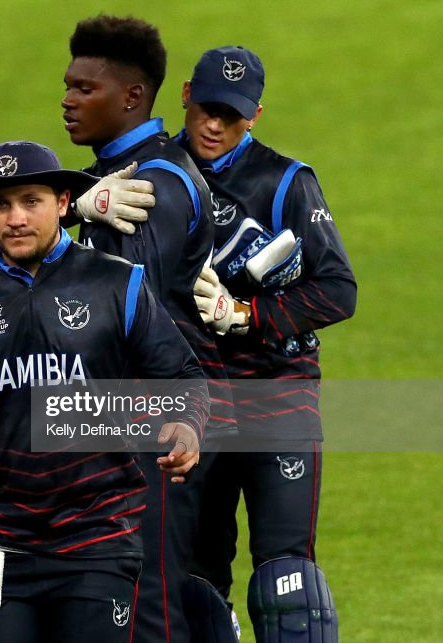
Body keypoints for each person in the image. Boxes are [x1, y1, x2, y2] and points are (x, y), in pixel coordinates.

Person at [0, 140, 208, 643]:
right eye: (1, 205)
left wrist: (186, 425)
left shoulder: (118, 284)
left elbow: (183, 376)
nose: (15, 218)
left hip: (96, 537)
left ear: (64, 203)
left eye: (30, 201)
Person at [177, 46, 355, 641]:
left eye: (230, 115)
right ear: (184, 96)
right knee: (193, 588)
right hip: (193, 405)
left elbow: (337, 290)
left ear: (253, 116)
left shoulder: (285, 183)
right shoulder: (157, 176)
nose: (213, 124)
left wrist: (246, 314)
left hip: (276, 400)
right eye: (205, 108)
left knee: (289, 590)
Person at [61, 14, 229, 643]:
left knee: (146, 608)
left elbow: (130, 323)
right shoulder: (132, 174)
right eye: (68, 85)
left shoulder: (144, 190)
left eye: (85, 88)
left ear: (132, 97)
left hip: (152, 430)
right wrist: (73, 204)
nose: (68, 100)